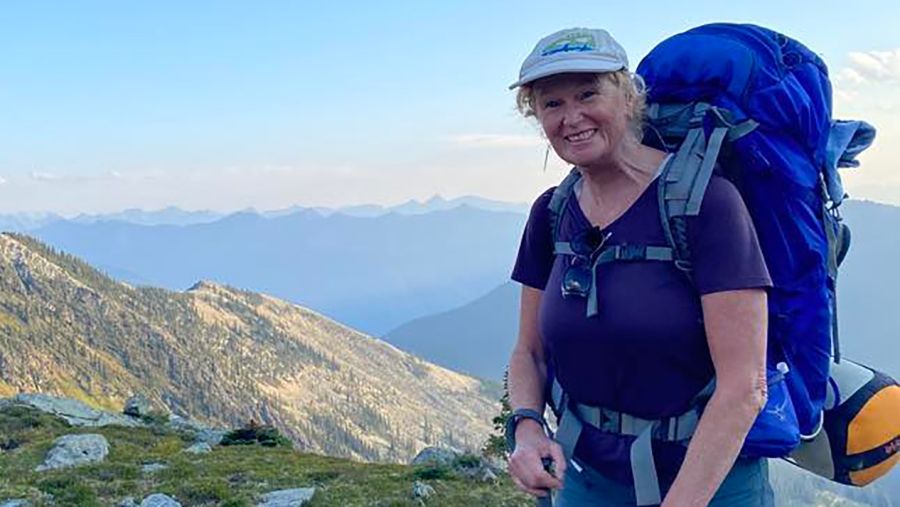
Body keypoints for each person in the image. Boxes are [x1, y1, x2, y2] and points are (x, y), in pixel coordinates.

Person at [505, 27, 775, 506]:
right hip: (585, 480)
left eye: (589, 94)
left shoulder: (705, 204)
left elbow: (744, 387)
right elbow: (530, 352)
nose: (572, 118)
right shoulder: (551, 213)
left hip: (710, 485)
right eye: (552, 103)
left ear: (628, 98)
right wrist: (526, 427)